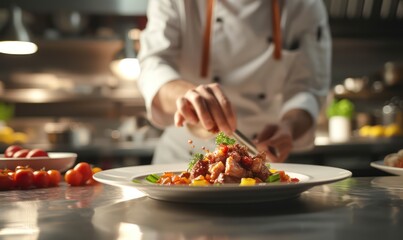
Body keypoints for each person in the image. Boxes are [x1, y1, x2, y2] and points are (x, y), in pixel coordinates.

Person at [137, 0, 331, 164]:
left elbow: (308, 89)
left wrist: (289, 127)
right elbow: (153, 65)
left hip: (265, 159)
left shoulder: (305, 5)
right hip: (182, 157)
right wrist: (188, 96)